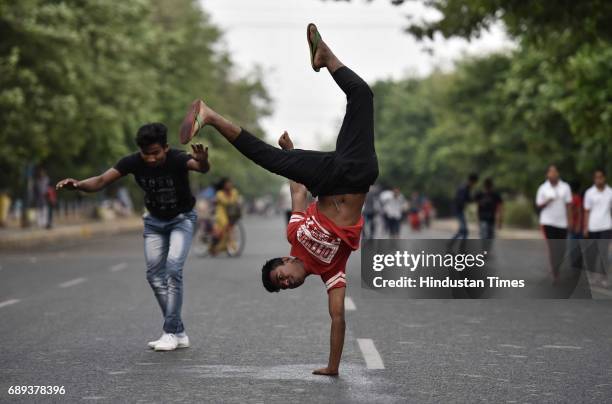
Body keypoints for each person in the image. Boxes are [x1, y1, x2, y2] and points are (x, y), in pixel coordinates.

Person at [178, 23, 377, 376]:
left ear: (285, 260)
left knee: (270, 157)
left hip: (327, 178)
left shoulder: (294, 234)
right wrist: (332, 367)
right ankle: (209, 115)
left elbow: (297, 190)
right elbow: (338, 318)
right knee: (363, 97)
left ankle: (324, 58)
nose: (285, 282)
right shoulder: (332, 274)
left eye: (279, 276)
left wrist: (292, 157)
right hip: (357, 173)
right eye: (283, 286)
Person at [56, 123, 210, 351]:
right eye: (145, 154)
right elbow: (100, 181)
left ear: (166, 148)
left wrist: (203, 160)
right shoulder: (132, 162)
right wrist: (78, 185)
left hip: (181, 219)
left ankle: (169, 332)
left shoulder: (177, 158)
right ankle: (178, 331)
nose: (150, 159)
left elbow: (201, 168)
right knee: (154, 276)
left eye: (155, 153)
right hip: (154, 222)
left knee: (173, 269)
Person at [535, 164, 571, 282]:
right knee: (552, 247)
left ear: (558, 173)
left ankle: (557, 268)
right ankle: (555, 273)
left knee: (561, 248)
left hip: (562, 223)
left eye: (554, 172)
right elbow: (539, 205)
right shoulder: (543, 188)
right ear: (547, 174)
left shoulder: (565, 187)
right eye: (550, 172)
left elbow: (568, 205)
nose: (553, 174)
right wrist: (547, 201)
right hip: (547, 222)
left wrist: (570, 221)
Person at [583, 169, 612, 288]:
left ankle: (604, 277)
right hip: (593, 226)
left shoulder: (610, 192)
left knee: (604, 252)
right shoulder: (589, 192)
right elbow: (587, 211)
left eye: (600, 177)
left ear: (604, 178)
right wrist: (585, 227)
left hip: (606, 226)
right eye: (596, 177)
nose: (598, 179)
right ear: (594, 179)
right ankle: (593, 276)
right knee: (593, 252)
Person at [209, 177, 241, 255]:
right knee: (226, 226)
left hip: (230, 213)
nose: (229, 185)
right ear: (223, 185)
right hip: (221, 213)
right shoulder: (219, 193)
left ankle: (223, 246)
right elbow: (223, 202)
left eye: (230, 183)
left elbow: (236, 202)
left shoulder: (234, 192)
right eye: (227, 183)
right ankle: (231, 246)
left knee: (229, 228)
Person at [451, 173, 479, 240]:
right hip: (458, 210)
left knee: (462, 230)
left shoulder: (466, 187)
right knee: (464, 231)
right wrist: (473, 200)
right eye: (474, 183)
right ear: (472, 181)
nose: (474, 185)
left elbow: (467, 199)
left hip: (460, 210)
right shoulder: (464, 188)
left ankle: (450, 243)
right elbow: (463, 200)